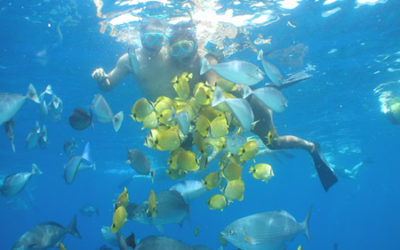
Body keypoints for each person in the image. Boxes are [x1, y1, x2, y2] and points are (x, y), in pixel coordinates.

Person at [92, 19, 337, 191]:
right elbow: (110, 84)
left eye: (161, 38)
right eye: (149, 38)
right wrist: (102, 78)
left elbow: (212, 73)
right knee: (186, 151)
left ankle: (310, 146)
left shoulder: (196, 57)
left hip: (241, 104)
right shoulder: (141, 59)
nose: (157, 44)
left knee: (272, 142)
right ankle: (273, 91)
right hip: (206, 119)